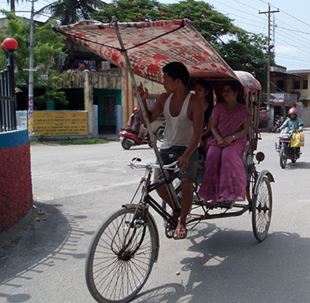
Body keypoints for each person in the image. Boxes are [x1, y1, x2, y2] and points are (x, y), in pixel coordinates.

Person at [138, 61, 204, 239]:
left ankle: (182, 221)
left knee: (186, 182)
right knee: (158, 183)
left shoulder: (195, 102)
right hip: (167, 146)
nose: (163, 82)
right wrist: (142, 102)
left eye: (166, 79)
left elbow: (198, 134)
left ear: (178, 81)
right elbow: (148, 119)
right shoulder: (163, 98)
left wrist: (186, 156)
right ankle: (177, 208)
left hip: (188, 147)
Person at [198, 81, 249, 205]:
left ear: (236, 93)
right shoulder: (218, 107)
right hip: (218, 139)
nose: (225, 93)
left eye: (228, 91)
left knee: (228, 155)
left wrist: (232, 137)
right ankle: (211, 192)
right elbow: (213, 127)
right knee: (212, 155)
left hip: (236, 140)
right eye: (224, 91)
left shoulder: (243, 109)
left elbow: (246, 130)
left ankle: (230, 192)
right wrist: (220, 139)